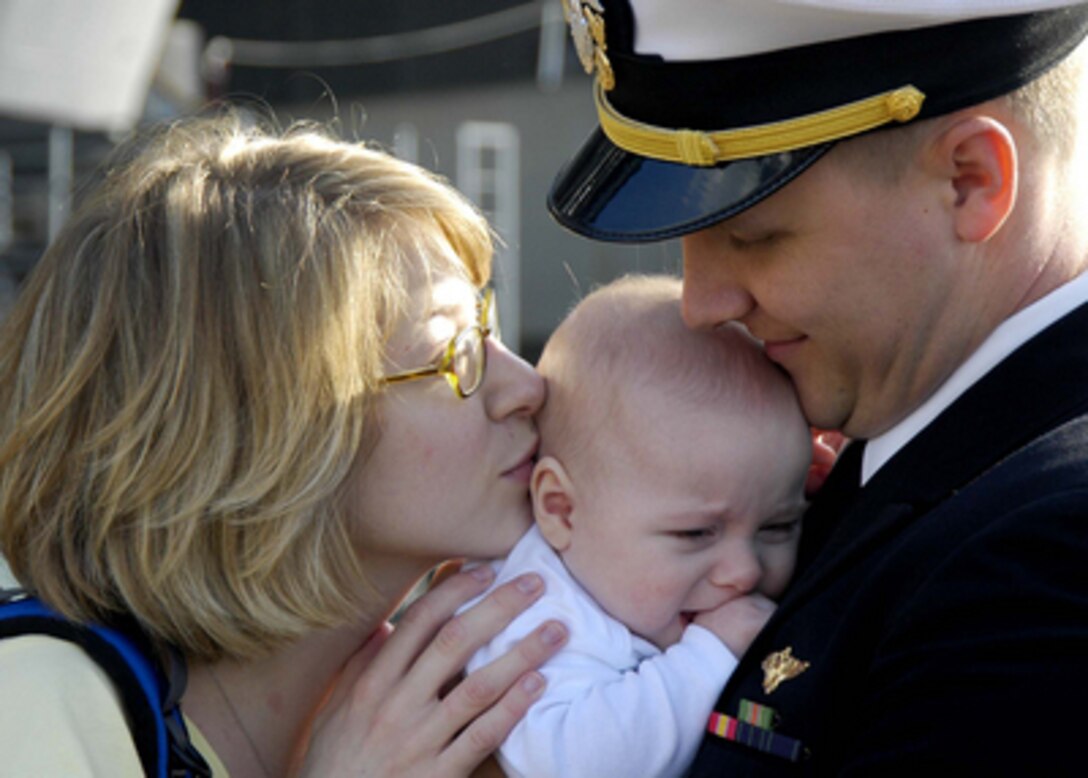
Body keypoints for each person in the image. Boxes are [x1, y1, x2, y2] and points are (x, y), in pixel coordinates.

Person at [548, 0, 1088, 774]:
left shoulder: (1049, 556)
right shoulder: (907, 459)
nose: (701, 304)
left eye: (753, 235)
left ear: (970, 181)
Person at [0, 109, 571, 777]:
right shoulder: (32, 699)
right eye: (454, 348)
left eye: (489, 325)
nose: (526, 385)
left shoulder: (404, 731)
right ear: (266, 425)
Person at [465, 274, 811, 777]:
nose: (744, 571)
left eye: (778, 526)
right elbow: (571, 765)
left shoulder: (610, 568)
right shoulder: (537, 615)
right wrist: (709, 659)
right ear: (561, 509)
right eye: (696, 534)